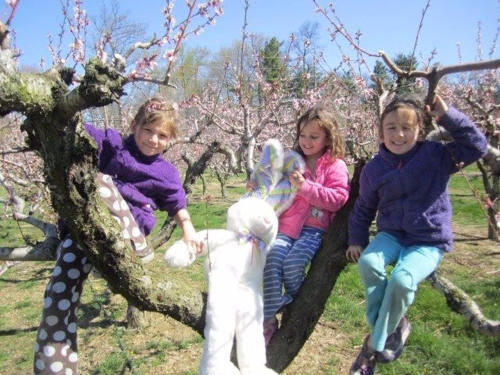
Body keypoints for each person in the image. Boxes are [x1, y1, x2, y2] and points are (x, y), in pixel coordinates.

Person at [33, 98, 203, 375]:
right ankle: (53, 366)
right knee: (59, 291)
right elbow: (77, 130)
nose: (153, 140)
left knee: (100, 183)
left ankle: (135, 247)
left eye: (162, 136)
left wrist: (188, 231)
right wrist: (54, 111)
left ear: (171, 139)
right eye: (148, 130)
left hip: (131, 226)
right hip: (84, 228)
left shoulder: (167, 173)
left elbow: (177, 206)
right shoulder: (113, 144)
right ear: (134, 124)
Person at [346, 94, 488, 375]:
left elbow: (477, 146)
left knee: (401, 278)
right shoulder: (375, 169)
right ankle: (395, 325)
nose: (399, 134)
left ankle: (373, 347)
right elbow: (363, 208)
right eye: (391, 127)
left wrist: (447, 116)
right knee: (368, 263)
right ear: (380, 131)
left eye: (407, 128)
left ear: (419, 130)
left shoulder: (436, 156)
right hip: (392, 235)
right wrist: (357, 240)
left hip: (428, 239)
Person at [262, 104, 350, 345]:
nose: (306, 141)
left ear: (328, 137)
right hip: (286, 227)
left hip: (314, 230)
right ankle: (267, 321)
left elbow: (338, 199)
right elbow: (275, 190)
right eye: (302, 135)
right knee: (271, 260)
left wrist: (305, 186)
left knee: (292, 265)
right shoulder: (292, 161)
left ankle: (294, 302)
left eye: (314, 136)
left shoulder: (335, 165)